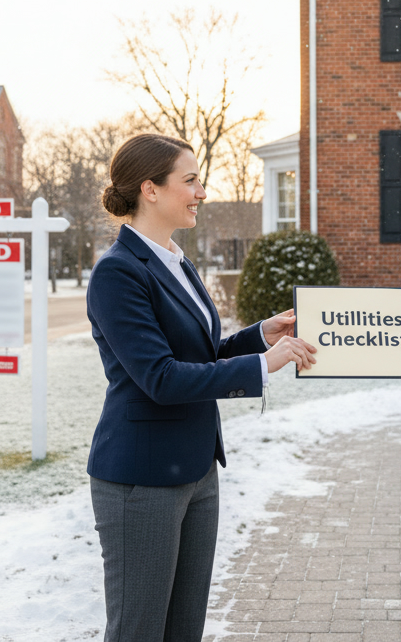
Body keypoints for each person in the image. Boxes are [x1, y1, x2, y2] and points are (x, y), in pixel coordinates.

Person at [85, 133, 317, 642]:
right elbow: (162, 377)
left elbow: (198, 354)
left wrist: (259, 335)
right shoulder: (117, 272)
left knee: (184, 629)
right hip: (141, 478)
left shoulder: (175, 259)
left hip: (196, 469)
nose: (202, 192)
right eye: (190, 181)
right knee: (139, 631)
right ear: (150, 189)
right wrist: (262, 365)